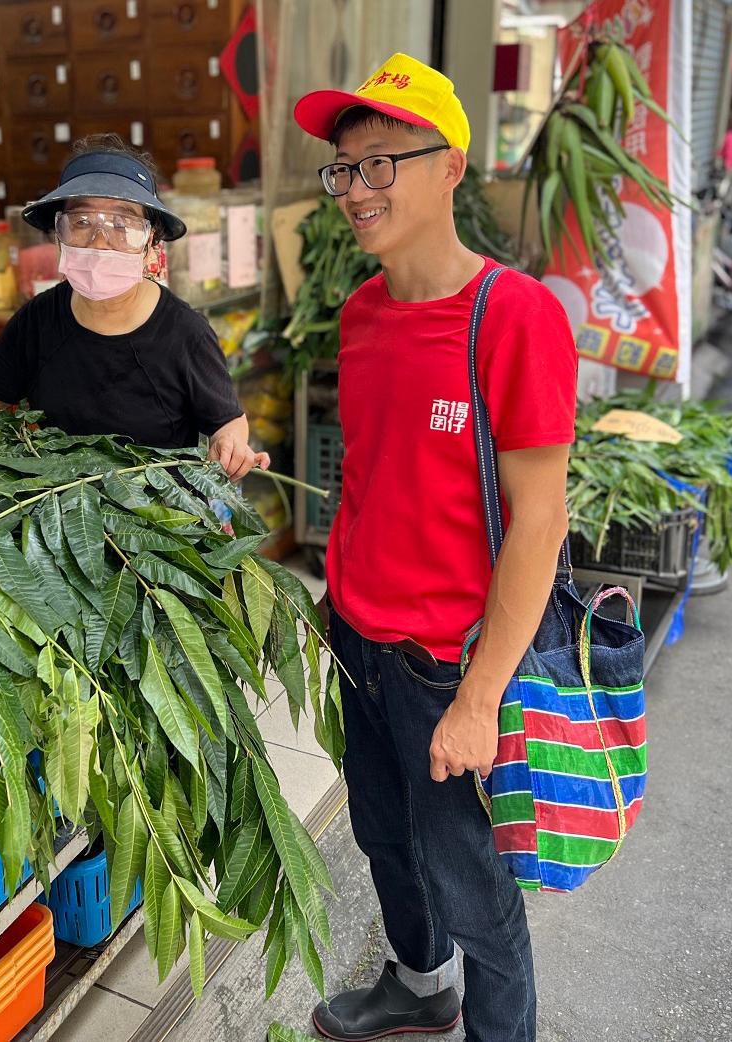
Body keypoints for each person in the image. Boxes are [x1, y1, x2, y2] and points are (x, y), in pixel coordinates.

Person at [293, 55, 578, 1042]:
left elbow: (540, 522)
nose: (356, 189)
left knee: (474, 884)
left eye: (381, 163)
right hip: (360, 643)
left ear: (450, 166)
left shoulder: (516, 316)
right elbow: (370, 477)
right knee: (383, 840)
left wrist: (479, 695)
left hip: (448, 663)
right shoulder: (363, 317)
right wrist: (335, 601)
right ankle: (420, 986)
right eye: (343, 169)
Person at [0, 135, 268, 480]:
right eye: (82, 221)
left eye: (122, 223)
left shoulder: (185, 332)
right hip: (62, 516)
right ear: (58, 234)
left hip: (159, 524)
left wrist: (230, 444)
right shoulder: (37, 320)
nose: (100, 241)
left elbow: (228, 421)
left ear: (152, 241)